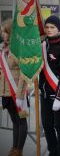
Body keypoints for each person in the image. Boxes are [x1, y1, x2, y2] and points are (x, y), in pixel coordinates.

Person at [39, 15, 60, 156]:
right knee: (47, 126)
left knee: (59, 126)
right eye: (47, 27)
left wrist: (59, 97)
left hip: (57, 94)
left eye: (52, 27)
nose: (49, 29)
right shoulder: (43, 45)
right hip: (45, 93)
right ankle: (53, 152)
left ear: (58, 29)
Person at [0, 19, 28, 156]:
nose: (3, 34)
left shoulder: (19, 49)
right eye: (2, 32)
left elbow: (24, 73)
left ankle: (19, 150)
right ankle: (14, 147)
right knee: (14, 121)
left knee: (21, 120)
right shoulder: (2, 48)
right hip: (5, 91)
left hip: (17, 91)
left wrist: (20, 94)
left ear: (11, 32)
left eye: (5, 31)